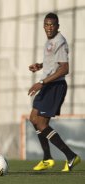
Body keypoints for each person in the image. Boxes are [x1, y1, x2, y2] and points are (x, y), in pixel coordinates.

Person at [28, 12, 81, 172]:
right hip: (47, 85)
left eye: (52, 25)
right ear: (44, 26)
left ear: (58, 26)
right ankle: (47, 158)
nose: (49, 27)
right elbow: (54, 62)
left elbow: (64, 68)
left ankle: (71, 156)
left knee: (42, 124)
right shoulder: (50, 41)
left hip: (55, 86)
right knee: (33, 118)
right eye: (46, 24)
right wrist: (40, 65)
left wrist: (42, 82)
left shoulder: (60, 41)